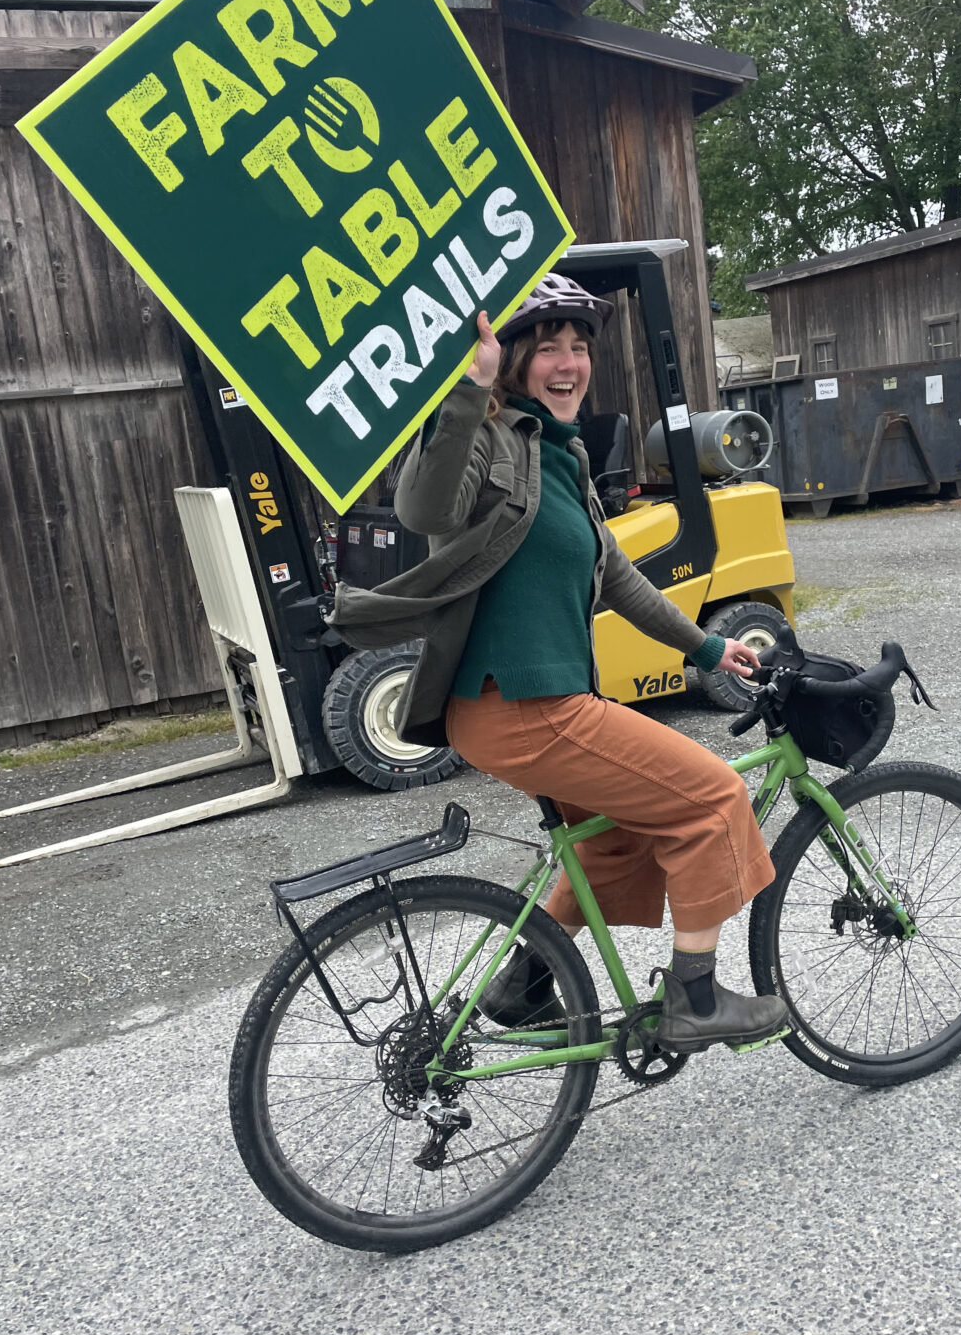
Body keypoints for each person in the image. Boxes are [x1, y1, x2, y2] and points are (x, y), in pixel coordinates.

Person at [331, 274, 786, 1052]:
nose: (569, 363)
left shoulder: (561, 456)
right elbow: (424, 510)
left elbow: (618, 578)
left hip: (534, 705)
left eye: (579, 347)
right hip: (524, 705)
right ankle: (695, 998)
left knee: (612, 843)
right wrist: (468, 390)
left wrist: (710, 647)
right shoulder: (490, 435)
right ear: (513, 361)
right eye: (548, 349)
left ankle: (522, 983)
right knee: (712, 799)